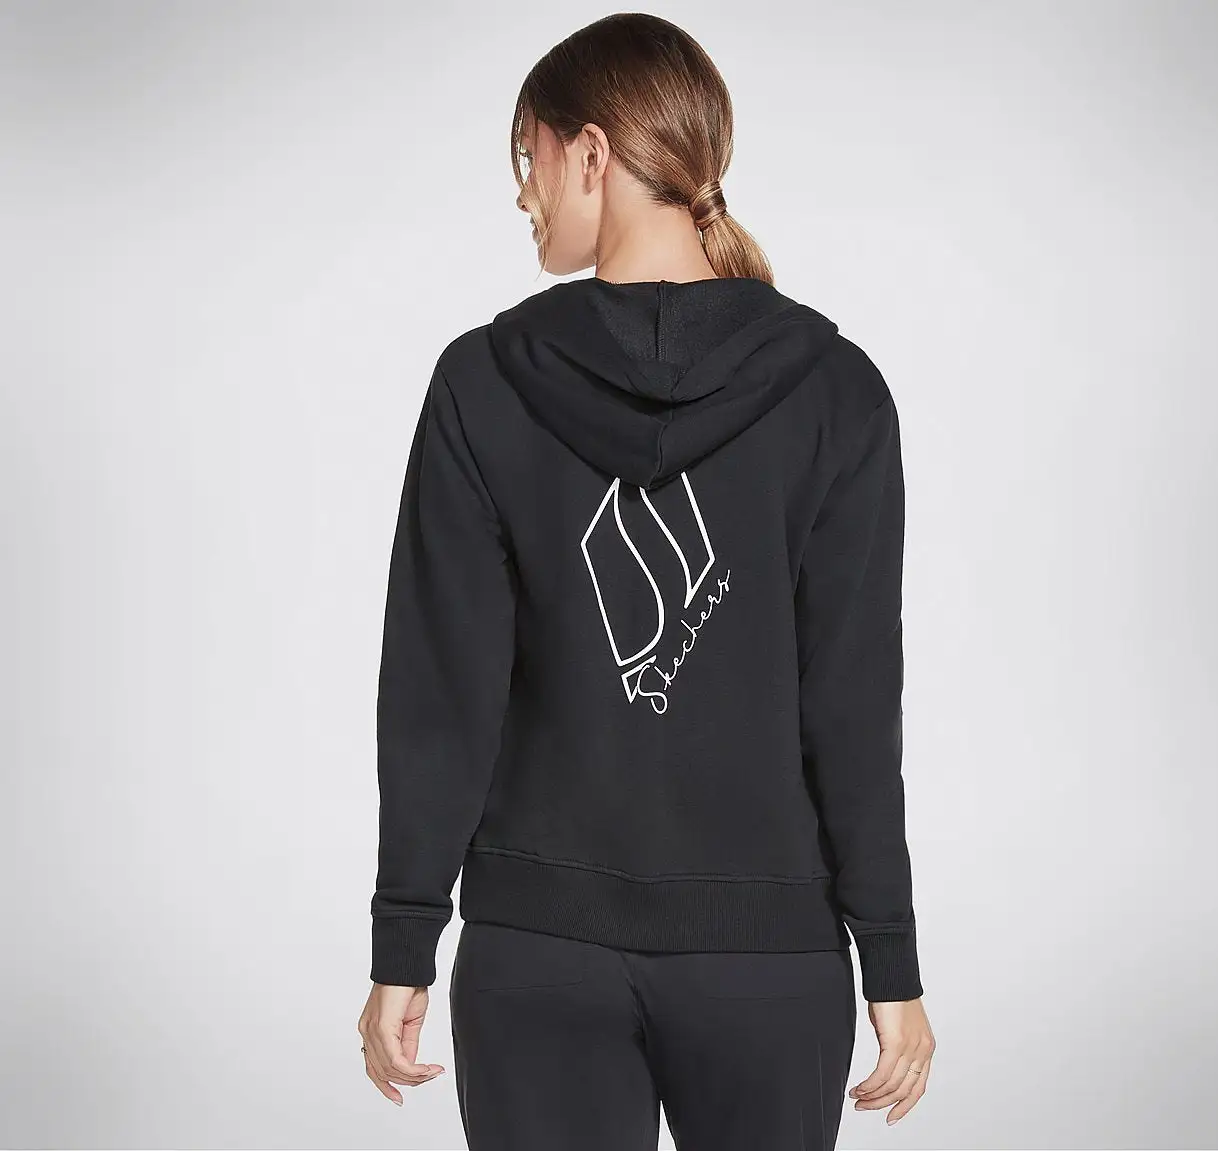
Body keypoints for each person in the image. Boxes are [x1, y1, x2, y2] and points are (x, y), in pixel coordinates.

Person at [356, 12, 935, 1149]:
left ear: (589, 153)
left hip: (538, 952)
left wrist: (404, 939)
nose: (520, 192)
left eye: (526, 155)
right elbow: (854, 705)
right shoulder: (836, 392)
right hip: (769, 958)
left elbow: (440, 691)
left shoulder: (482, 383)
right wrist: (890, 958)